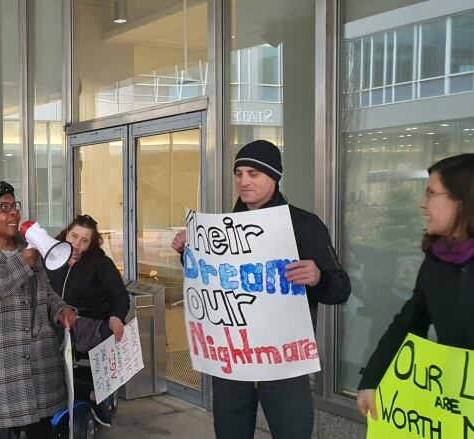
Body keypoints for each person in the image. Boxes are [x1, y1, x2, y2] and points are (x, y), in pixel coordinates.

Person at [170, 140, 351, 439]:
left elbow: (341, 289)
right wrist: (187, 253)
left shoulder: (304, 225)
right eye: (239, 173)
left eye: (254, 173)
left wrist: (319, 277)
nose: (243, 181)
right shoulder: (220, 230)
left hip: (283, 365)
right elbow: (216, 279)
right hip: (231, 364)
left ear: (275, 177)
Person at [0, 181, 77, 439]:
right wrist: (20, 265)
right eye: (3, 207)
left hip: (37, 361)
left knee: (40, 428)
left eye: (14, 206)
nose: (13, 213)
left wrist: (60, 309)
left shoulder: (27, 248)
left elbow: (44, 291)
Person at [357, 153, 474, 419]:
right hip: (458, 406)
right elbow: (410, 322)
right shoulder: (438, 258)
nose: (423, 204)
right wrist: (373, 378)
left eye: (431, 193)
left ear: (463, 200)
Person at [46, 214, 129, 425]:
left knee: (110, 334)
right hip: (51, 321)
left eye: (84, 240)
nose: (77, 244)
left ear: (91, 243)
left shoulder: (101, 264)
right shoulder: (51, 257)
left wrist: (116, 317)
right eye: (74, 236)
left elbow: (120, 296)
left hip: (86, 323)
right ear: (66, 233)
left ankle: (95, 395)